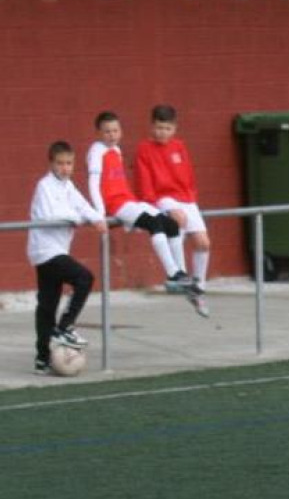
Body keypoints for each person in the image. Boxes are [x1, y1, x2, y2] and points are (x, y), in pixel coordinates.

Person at [86, 110, 207, 317]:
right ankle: (172, 273)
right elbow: (94, 184)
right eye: (107, 132)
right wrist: (99, 213)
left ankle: (181, 274)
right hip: (116, 204)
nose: (112, 135)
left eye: (115, 130)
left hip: (128, 199)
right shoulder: (97, 151)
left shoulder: (116, 150)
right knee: (154, 223)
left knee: (171, 224)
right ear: (98, 133)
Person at [28, 141, 108, 375]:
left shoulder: (68, 185)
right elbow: (51, 214)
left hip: (57, 250)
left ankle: (42, 359)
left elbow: (82, 205)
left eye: (69, 163)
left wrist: (96, 219)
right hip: (46, 251)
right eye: (60, 163)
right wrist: (76, 217)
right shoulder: (44, 186)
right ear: (51, 163)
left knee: (47, 305)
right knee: (84, 277)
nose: (65, 168)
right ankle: (63, 327)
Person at [135, 103, 211, 313]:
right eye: (159, 128)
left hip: (186, 198)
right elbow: (145, 181)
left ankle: (199, 289)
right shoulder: (145, 149)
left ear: (175, 128)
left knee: (204, 243)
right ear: (152, 126)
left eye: (167, 128)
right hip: (163, 197)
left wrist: (191, 197)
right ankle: (180, 276)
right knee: (179, 219)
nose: (163, 133)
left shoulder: (179, 147)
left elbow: (188, 176)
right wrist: (156, 203)